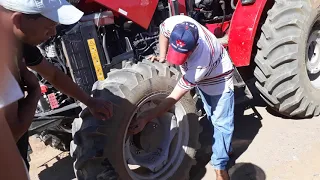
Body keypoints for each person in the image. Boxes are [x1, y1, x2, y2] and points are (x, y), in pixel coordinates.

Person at [1, 0, 113, 170]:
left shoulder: (16, 39)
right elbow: (12, 134)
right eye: (48, 27)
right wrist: (34, 92)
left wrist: (89, 102)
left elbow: (52, 74)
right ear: (18, 20)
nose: (53, 33)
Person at [129, 15, 234, 180]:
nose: (178, 60)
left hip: (218, 80)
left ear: (193, 48)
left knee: (222, 123)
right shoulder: (174, 23)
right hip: (201, 82)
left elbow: (173, 97)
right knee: (212, 116)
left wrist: (147, 116)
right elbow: (163, 31)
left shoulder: (201, 61)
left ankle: (220, 166)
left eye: (183, 55)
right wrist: (163, 56)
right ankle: (223, 146)